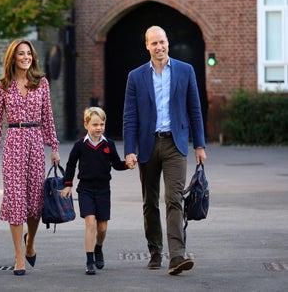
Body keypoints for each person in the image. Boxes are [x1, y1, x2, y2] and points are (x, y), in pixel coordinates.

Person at [123, 25, 207, 275]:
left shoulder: (185, 70)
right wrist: (129, 149)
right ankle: (155, 251)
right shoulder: (135, 76)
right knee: (150, 202)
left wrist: (200, 144)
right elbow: (130, 116)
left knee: (174, 199)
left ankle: (177, 256)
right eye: (154, 43)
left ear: (168, 42)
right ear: (146, 46)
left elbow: (195, 109)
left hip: (175, 144)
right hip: (148, 145)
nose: (159, 47)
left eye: (162, 42)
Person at [0, 39, 60, 276]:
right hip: (14, 142)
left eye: (29, 53)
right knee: (16, 201)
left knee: (35, 203)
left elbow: (48, 117)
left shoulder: (41, 83)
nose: (26, 57)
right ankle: (18, 257)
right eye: (21, 54)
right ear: (12, 58)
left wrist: (54, 147)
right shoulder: (2, 86)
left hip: (35, 142)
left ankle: (30, 243)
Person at [62, 107, 129, 275]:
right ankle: (89, 259)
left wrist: (127, 164)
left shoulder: (109, 144)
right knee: (90, 223)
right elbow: (70, 165)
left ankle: (98, 248)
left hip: (103, 190)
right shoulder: (79, 145)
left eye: (102, 124)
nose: (99, 128)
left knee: (102, 227)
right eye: (95, 124)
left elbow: (116, 164)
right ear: (86, 125)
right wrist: (68, 184)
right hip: (85, 189)